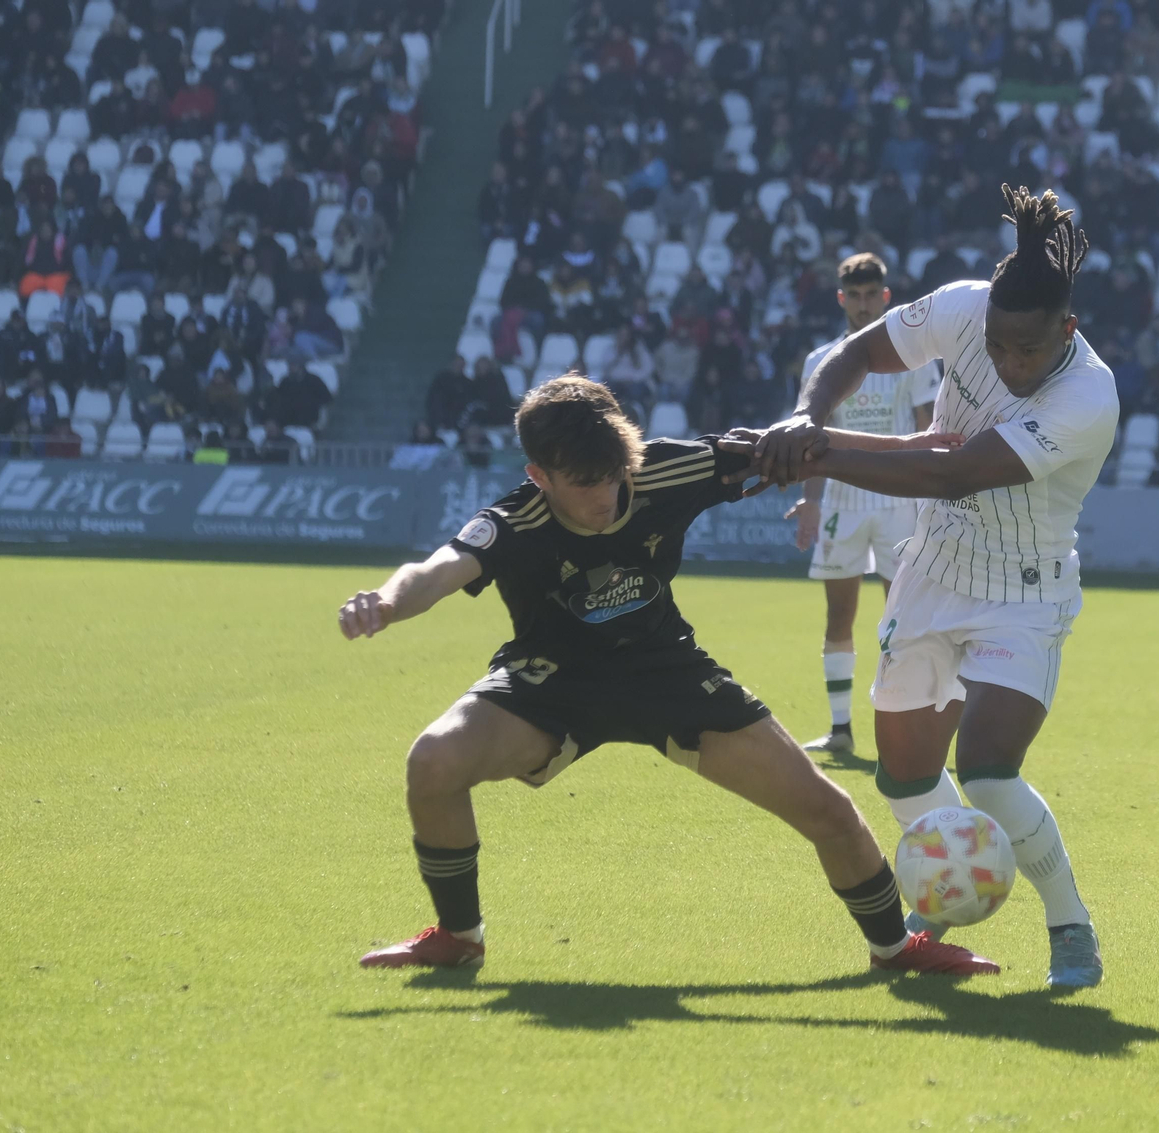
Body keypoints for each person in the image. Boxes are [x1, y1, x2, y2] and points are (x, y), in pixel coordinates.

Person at [340, 376, 997, 978]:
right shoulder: (514, 521)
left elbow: (793, 444)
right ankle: (460, 937)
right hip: (552, 681)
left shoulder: (665, 467)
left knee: (828, 808)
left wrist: (906, 445)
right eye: (584, 483)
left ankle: (895, 948)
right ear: (539, 476)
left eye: (613, 476)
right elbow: (438, 569)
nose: (605, 496)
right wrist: (387, 602)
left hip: (668, 671)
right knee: (434, 760)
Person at [739, 186, 1119, 990]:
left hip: (1023, 591)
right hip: (931, 570)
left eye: (1027, 350)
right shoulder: (962, 307)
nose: (1008, 363)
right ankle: (950, 884)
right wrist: (806, 415)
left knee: (986, 768)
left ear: (1067, 329)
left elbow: (952, 473)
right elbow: (855, 355)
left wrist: (817, 453)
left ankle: (1071, 925)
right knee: (904, 773)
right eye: (997, 345)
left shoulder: (1089, 396)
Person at [786, 254, 941, 760]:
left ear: (886, 297)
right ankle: (840, 730)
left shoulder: (915, 358)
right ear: (841, 299)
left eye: (871, 295)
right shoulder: (822, 361)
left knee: (905, 621)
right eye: (854, 296)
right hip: (842, 501)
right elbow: (810, 437)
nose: (863, 304)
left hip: (899, 501)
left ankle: (908, 729)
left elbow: (929, 431)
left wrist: (933, 499)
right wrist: (811, 501)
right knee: (839, 618)